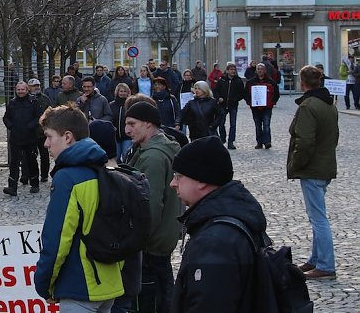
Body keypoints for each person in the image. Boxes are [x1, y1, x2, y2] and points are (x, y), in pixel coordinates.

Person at [34, 104, 125, 310]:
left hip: (79, 285)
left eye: (49, 136)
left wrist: (44, 285)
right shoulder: (105, 170)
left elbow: (57, 239)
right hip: (108, 283)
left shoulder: (68, 177)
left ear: (67, 137)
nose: (46, 144)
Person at [170, 136, 267, 312]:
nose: (173, 184)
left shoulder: (215, 241)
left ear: (202, 181)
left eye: (179, 176)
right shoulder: (231, 215)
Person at [124, 102, 182, 313]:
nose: (127, 130)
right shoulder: (155, 148)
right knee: (164, 293)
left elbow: (151, 205)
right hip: (160, 240)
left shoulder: (153, 157)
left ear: (148, 124)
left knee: (152, 301)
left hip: (151, 244)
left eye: (132, 124)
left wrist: (135, 240)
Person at [288, 65, 340, 279]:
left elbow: (306, 141)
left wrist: (297, 163)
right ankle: (316, 259)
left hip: (313, 167)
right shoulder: (329, 104)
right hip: (325, 165)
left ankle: (326, 265)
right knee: (317, 216)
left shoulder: (309, 106)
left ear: (302, 82)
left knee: (318, 219)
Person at [3, 81, 42, 195]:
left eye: (22, 89)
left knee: (31, 161)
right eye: (18, 90)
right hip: (15, 138)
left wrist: (31, 126)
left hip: (30, 137)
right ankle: (12, 187)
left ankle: (34, 184)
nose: (20, 92)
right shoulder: (12, 103)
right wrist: (10, 126)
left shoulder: (33, 102)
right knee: (14, 163)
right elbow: (6, 117)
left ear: (27, 90)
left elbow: (39, 116)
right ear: (16, 90)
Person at [243, 63, 280, 149]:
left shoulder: (271, 82)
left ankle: (267, 142)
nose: (260, 71)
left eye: (261, 69)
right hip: (255, 107)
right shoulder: (250, 82)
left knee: (266, 124)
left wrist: (272, 102)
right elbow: (245, 94)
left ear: (265, 70)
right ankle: (259, 142)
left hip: (267, 107)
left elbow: (276, 94)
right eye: (258, 69)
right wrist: (249, 102)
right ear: (256, 70)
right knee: (258, 125)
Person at [214, 62, 245, 149]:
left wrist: (235, 99)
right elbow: (215, 91)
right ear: (227, 71)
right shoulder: (221, 80)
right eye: (231, 69)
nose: (233, 71)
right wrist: (218, 98)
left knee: (233, 124)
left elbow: (242, 94)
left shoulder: (238, 81)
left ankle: (231, 141)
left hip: (233, 105)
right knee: (221, 123)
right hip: (222, 105)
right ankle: (222, 138)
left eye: (234, 69)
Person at [28, 78, 52, 182]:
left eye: (38, 85)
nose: (36, 87)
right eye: (34, 85)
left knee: (44, 155)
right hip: (31, 132)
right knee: (31, 156)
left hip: (43, 132)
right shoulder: (27, 98)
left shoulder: (45, 98)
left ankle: (44, 175)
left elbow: (50, 112)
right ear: (29, 87)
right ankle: (32, 175)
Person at [109, 83, 132, 161]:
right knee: (116, 157)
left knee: (126, 156)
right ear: (117, 92)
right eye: (121, 91)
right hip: (115, 136)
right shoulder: (111, 105)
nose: (123, 93)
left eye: (125, 91)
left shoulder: (130, 105)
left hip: (127, 136)